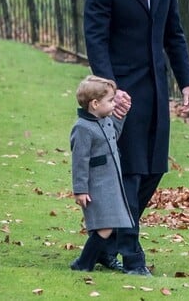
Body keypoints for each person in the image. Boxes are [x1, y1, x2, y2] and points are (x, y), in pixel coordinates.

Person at [83, 0, 189, 276]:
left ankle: (99, 249)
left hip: (156, 89)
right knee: (129, 172)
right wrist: (110, 90)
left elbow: (173, 34)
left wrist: (187, 82)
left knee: (152, 169)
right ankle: (133, 258)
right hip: (120, 93)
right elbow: (96, 40)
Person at [70, 75, 133, 272]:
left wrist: (120, 117)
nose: (114, 104)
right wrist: (80, 190)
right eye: (110, 101)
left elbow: (113, 136)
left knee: (108, 226)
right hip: (96, 187)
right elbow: (79, 161)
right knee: (105, 227)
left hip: (111, 185)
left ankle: (86, 262)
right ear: (95, 104)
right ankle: (83, 263)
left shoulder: (105, 120)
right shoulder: (82, 128)